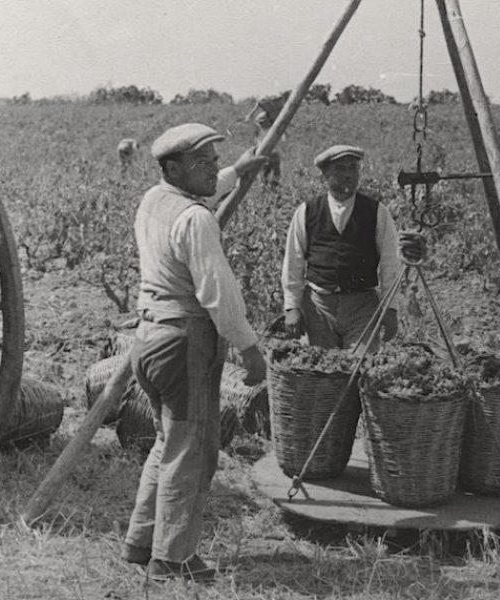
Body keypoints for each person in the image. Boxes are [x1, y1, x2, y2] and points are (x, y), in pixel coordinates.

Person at [122, 123, 270, 582]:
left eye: (213, 160)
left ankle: (140, 541)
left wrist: (237, 171)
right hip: (185, 342)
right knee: (194, 451)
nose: (212, 169)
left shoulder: (154, 200)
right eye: (202, 162)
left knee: (170, 442)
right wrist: (249, 349)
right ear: (173, 168)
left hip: (148, 340)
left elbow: (203, 192)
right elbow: (218, 294)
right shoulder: (197, 219)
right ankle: (174, 557)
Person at [281, 145, 401, 350]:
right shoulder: (307, 211)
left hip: (361, 306)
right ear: (325, 174)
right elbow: (294, 261)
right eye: (340, 169)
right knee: (323, 371)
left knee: (360, 371)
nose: (348, 175)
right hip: (319, 307)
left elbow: (391, 263)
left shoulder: (377, 212)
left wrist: (390, 309)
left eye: (353, 168)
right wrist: (292, 306)